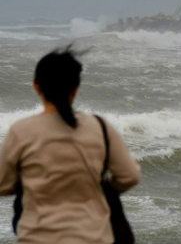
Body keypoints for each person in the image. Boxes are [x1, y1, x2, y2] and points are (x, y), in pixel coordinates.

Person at [0, 46, 141, 243]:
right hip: (94, 237)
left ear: (36, 86)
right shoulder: (100, 127)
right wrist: (99, 188)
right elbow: (129, 176)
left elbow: (3, 184)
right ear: (75, 88)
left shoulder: (22, 131)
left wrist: (34, 182)